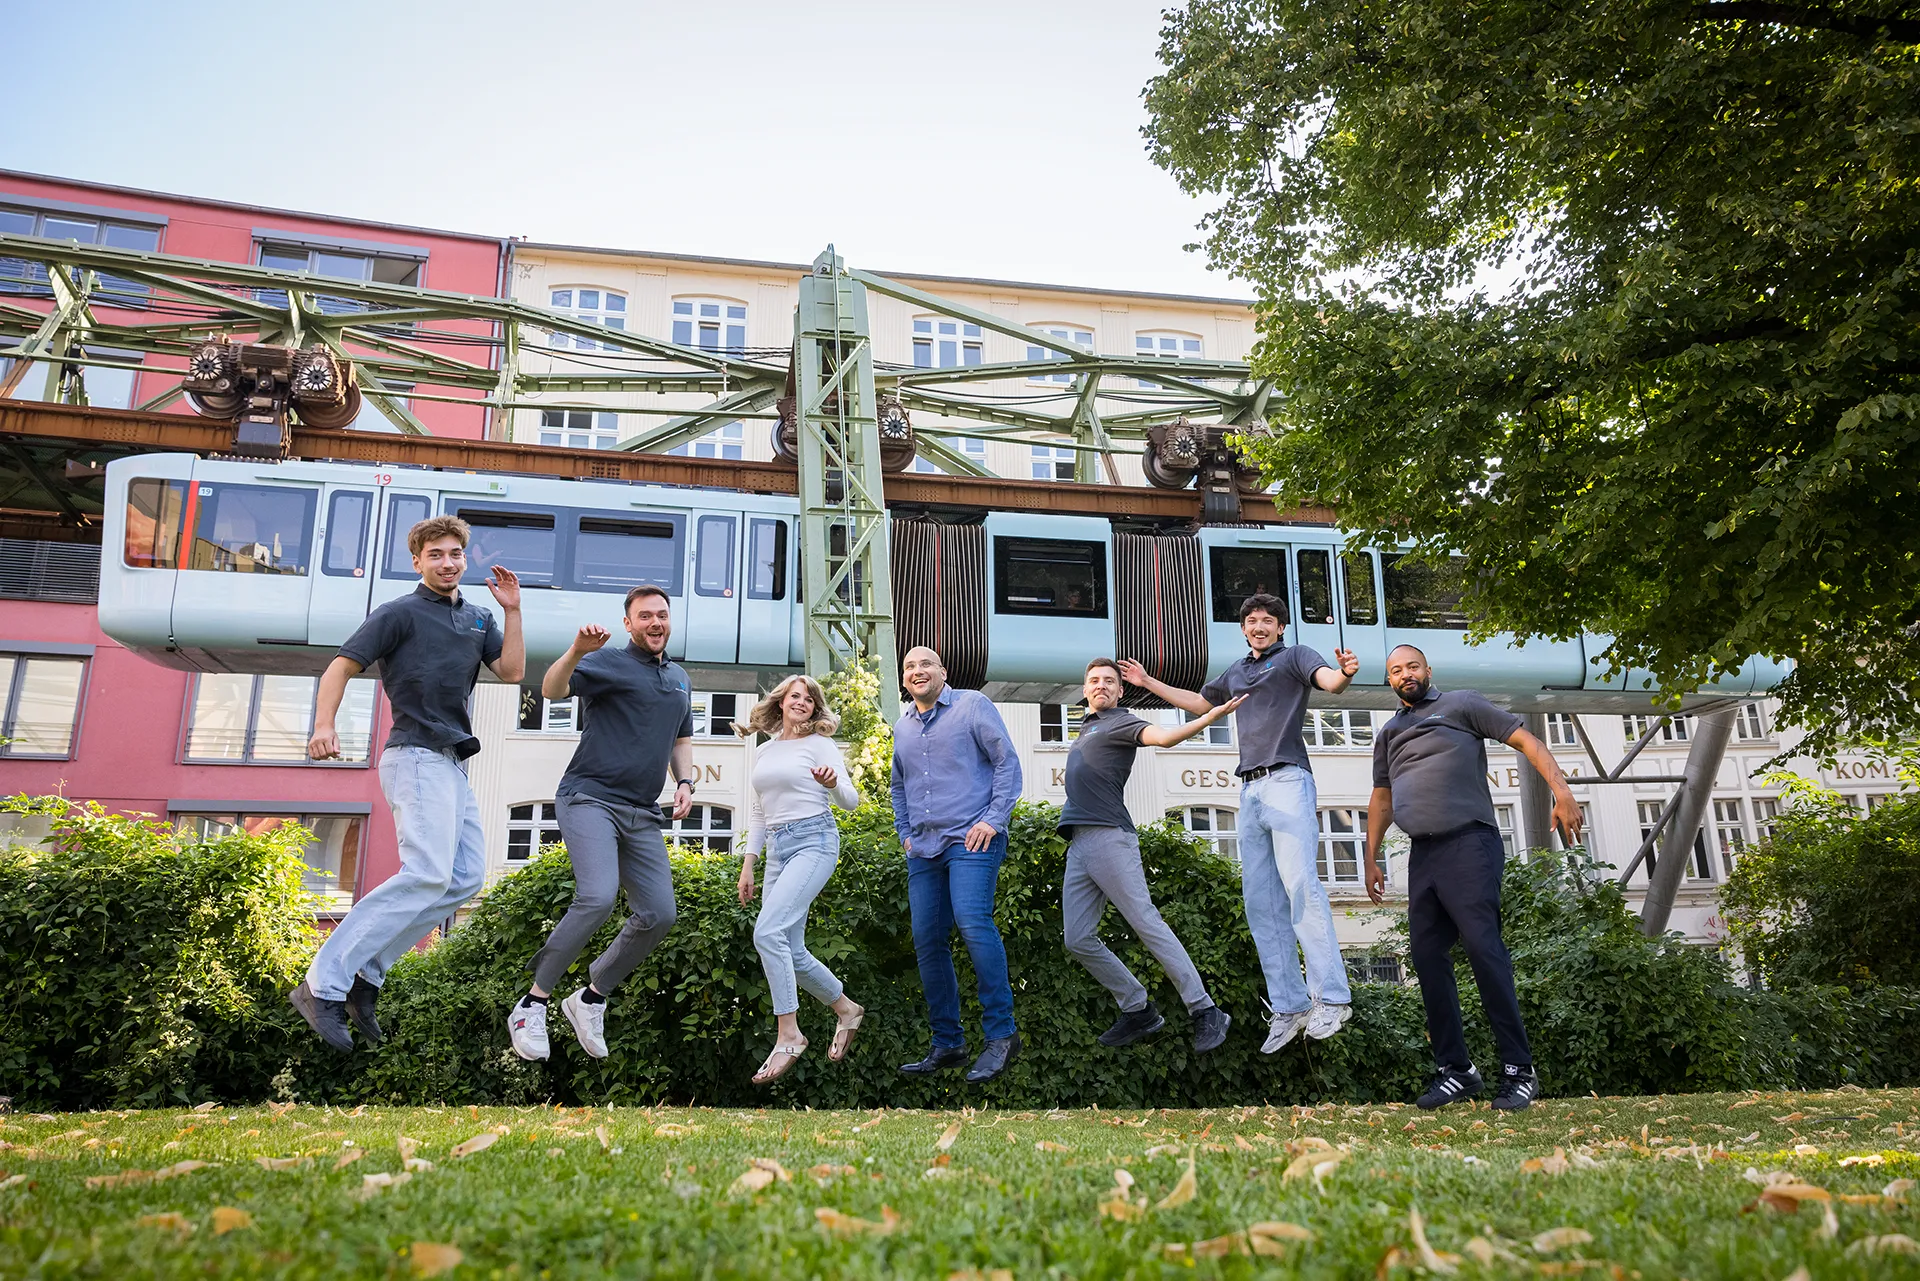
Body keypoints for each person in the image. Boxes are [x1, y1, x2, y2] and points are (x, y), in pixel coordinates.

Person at [293, 515, 523, 1052]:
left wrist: (513, 611)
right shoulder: (398, 613)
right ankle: (322, 984)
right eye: (435, 554)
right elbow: (339, 667)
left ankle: (366, 975)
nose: (447, 563)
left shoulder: (479, 617)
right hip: (415, 755)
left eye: (455, 554)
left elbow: (512, 672)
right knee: (426, 873)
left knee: (463, 879)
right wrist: (324, 725)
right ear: (417, 561)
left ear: (464, 559)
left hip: (453, 762)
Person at [1120, 592, 1361, 1055]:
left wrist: (1345, 673)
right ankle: (1290, 1006)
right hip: (1249, 790)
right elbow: (1199, 704)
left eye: (1268, 620)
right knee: (1260, 903)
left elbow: (1330, 683)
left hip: (1287, 780)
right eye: (1252, 620)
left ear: (1280, 627)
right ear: (1244, 628)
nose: (1259, 626)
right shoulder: (1236, 671)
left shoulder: (1295, 657)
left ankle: (1333, 998)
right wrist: (1148, 681)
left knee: (1300, 887)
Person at [1363, 644, 1582, 1112]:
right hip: (1423, 854)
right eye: (1396, 670)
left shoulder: (1462, 704)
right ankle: (1456, 1070)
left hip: (1469, 844)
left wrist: (1561, 792)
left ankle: (1518, 1069)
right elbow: (1382, 798)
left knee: (1484, 951)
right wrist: (1370, 858)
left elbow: (1528, 741)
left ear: (1428, 669)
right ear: (1390, 680)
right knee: (1426, 958)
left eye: (1412, 666)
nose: (1405, 674)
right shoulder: (1389, 733)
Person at [507, 585, 696, 1062]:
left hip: (642, 812)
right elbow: (551, 690)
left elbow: (681, 737)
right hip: (589, 797)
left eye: (662, 614)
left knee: (660, 914)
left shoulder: (679, 678)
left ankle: (590, 998)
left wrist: (685, 781)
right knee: (597, 896)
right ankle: (533, 1003)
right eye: (645, 616)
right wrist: (576, 650)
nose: (656, 622)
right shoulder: (607, 661)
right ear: (629, 624)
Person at [1060, 659, 1245, 1052]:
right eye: (1094, 680)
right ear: (1085, 688)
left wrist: (1208, 718)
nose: (1101, 685)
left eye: (1109, 681)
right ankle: (1138, 1009)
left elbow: (1163, 738)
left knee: (1146, 922)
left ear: (1119, 691)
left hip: (1109, 837)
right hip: (1079, 843)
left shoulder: (1122, 722)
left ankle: (1205, 1009)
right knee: (1077, 938)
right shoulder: (1088, 726)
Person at [891, 646, 1024, 1084]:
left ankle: (1002, 1035)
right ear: (904, 679)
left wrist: (993, 819)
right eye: (909, 667)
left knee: (972, 921)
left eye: (925, 664)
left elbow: (1007, 762)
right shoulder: (902, 726)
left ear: (942, 672)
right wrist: (905, 832)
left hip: (972, 839)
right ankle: (948, 1042)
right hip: (924, 848)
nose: (917, 671)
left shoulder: (972, 706)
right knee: (927, 939)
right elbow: (898, 785)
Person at [733, 674, 868, 1085]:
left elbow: (850, 801)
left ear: (814, 708)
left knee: (767, 932)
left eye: (809, 699)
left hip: (815, 841)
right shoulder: (766, 750)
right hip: (777, 848)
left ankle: (789, 1034)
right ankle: (846, 1009)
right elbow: (759, 811)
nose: (801, 703)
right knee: (790, 949)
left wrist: (832, 783)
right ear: (781, 702)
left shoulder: (821, 745)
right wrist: (749, 863)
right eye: (795, 696)